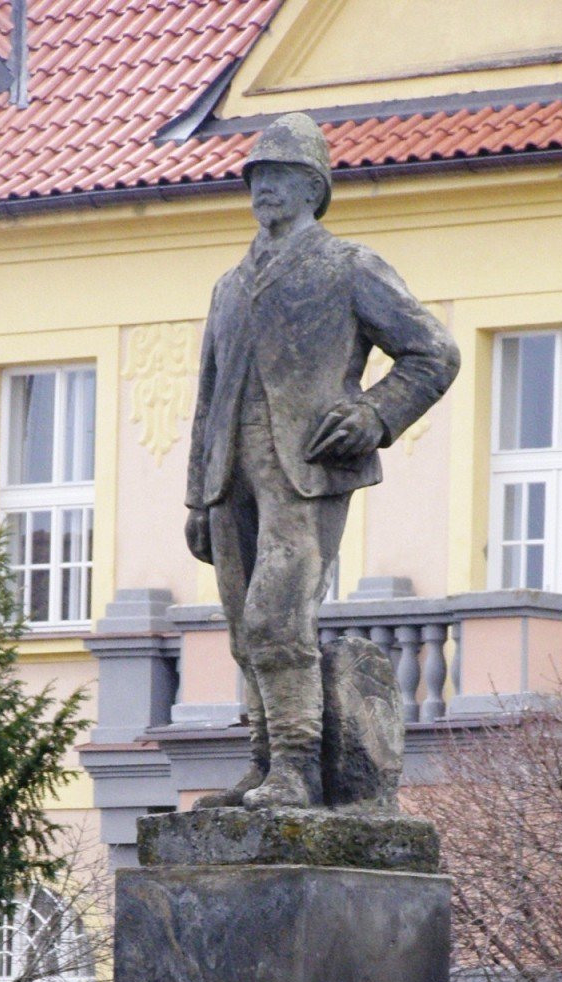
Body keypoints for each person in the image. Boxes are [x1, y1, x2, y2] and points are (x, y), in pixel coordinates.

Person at [185, 112, 459, 809]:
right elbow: (208, 397)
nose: (262, 188)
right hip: (231, 473)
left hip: (305, 467)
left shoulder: (348, 265)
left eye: (278, 176)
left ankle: (298, 768)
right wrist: (197, 497)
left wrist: (373, 414)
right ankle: (264, 759)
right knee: (246, 627)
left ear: (313, 187)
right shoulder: (225, 285)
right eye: (256, 176)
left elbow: (433, 352)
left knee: (278, 614)